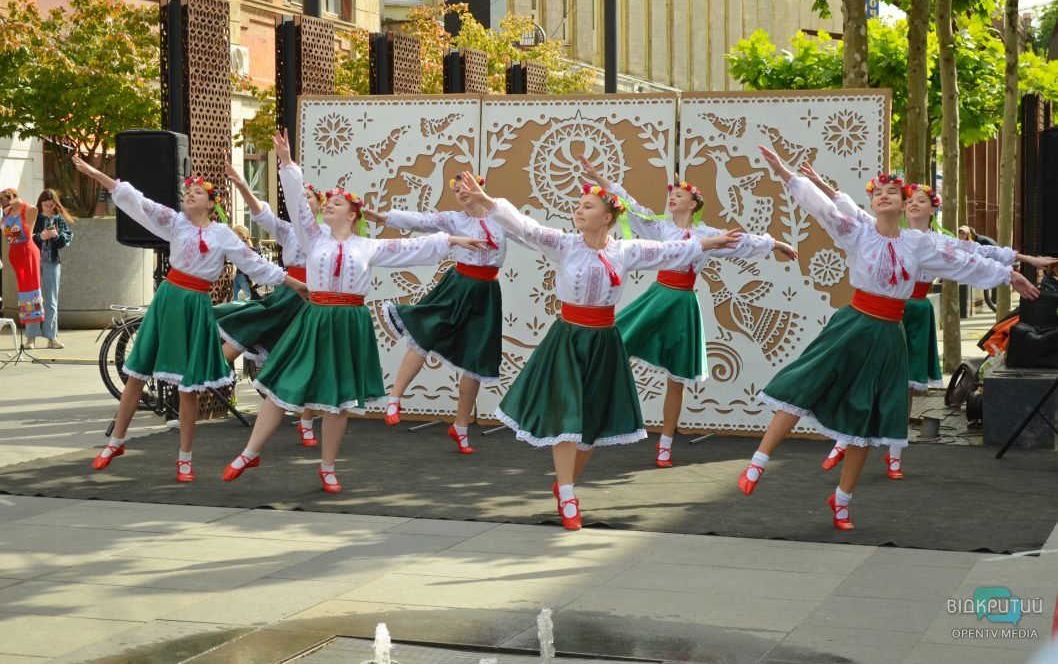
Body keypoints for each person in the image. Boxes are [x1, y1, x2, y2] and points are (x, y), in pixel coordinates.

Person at [738, 147, 1039, 530]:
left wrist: (1008, 273)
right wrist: (787, 174)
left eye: (892, 192)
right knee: (804, 382)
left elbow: (963, 259)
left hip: (888, 335)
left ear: (902, 202)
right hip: (854, 323)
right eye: (878, 192)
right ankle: (757, 463)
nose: (884, 196)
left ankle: (842, 500)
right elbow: (822, 208)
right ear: (871, 202)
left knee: (868, 415)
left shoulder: (919, 243)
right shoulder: (857, 232)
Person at [457, 172, 742, 530]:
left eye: (587, 206)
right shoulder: (564, 244)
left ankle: (566, 485)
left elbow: (671, 250)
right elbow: (525, 226)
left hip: (604, 341)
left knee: (591, 426)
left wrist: (712, 241)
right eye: (578, 206)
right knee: (569, 420)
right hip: (568, 340)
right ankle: (568, 491)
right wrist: (487, 202)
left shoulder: (624, 250)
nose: (578, 210)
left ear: (607, 217)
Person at [221, 130, 487, 493]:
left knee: (338, 400)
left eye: (336, 203)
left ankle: (328, 467)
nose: (328, 205)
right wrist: (285, 162)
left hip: (349, 322)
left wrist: (454, 240)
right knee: (280, 386)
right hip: (315, 319)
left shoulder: (367, 246)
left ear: (353, 213)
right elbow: (299, 203)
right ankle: (251, 451)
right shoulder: (312, 237)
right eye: (327, 202)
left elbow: (411, 248)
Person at [804, 168, 1057, 480]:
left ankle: (894, 454)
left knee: (907, 383)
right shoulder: (882, 231)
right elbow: (847, 209)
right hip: (886, 309)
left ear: (932, 208)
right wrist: (818, 182)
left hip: (916, 312)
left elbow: (979, 253)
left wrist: (1027, 261)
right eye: (910, 200)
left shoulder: (937, 242)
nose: (913, 205)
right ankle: (845, 439)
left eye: (920, 201)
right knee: (869, 376)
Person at [72, 154, 304, 482]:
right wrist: (97, 174)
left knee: (188, 386)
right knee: (138, 372)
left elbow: (257, 265)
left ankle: (184, 459)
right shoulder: (174, 222)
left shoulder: (224, 234)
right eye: (187, 192)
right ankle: (115, 441)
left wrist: (294, 283)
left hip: (195, 305)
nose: (189, 194)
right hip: (169, 298)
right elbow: (137, 201)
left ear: (212, 203)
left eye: (198, 192)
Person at [579, 156, 798, 468]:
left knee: (676, 378)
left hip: (683, 303)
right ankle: (590, 420)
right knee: (614, 348)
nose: (673, 197)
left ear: (694, 203)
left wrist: (775, 243)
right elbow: (629, 205)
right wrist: (599, 178)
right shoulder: (661, 228)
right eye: (672, 194)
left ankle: (665, 444)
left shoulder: (706, 233)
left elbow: (742, 242)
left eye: (679, 195)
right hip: (658, 298)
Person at [365, 174, 517, 455]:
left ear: (480, 187)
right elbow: (421, 220)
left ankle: (460, 427)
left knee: (476, 357)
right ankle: (395, 398)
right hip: (458, 285)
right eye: (457, 190)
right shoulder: (454, 220)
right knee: (424, 333)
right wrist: (383, 217)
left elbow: (528, 234)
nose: (461, 193)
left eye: (466, 188)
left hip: (486, 292)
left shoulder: (500, 217)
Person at [213, 163, 324, 446]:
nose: (304, 202)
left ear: (320, 204)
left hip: (316, 299)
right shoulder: (288, 230)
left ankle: (307, 422)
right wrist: (241, 185)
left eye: (309, 197)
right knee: (252, 328)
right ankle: (205, 372)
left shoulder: (327, 231)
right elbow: (262, 213)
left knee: (314, 356)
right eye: (301, 198)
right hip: (290, 295)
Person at [28, 189, 75, 349]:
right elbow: (26, 238)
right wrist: (39, 237)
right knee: (32, 299)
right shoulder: (34, 217)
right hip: (33, 262)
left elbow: (65, 241)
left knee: (52, 301)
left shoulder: (59, 219)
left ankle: (51, 338)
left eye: (51, 205)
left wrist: (55, 236)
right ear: (40, 204)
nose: (48, 208)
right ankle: (31, 337)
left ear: (55, 205)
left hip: (52, 262)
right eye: (45, 205)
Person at [1, 188, 43, 335]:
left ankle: (32, 320)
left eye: (2, 200)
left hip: (27, 251)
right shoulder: (6, 213)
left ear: (10, 198)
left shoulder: (30, 209)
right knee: (21, 289)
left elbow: (27, 234)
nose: (1, 203)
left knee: (31, 287)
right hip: (14, 253)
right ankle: (27, 320)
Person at [231, 224, 259, 300]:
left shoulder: (242, 245)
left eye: (234, 234)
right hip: (240, 275)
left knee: (249, 296)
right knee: (236, 296)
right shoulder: (246, 243)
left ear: (239, 234)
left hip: (242, 275)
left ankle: (255, 308)